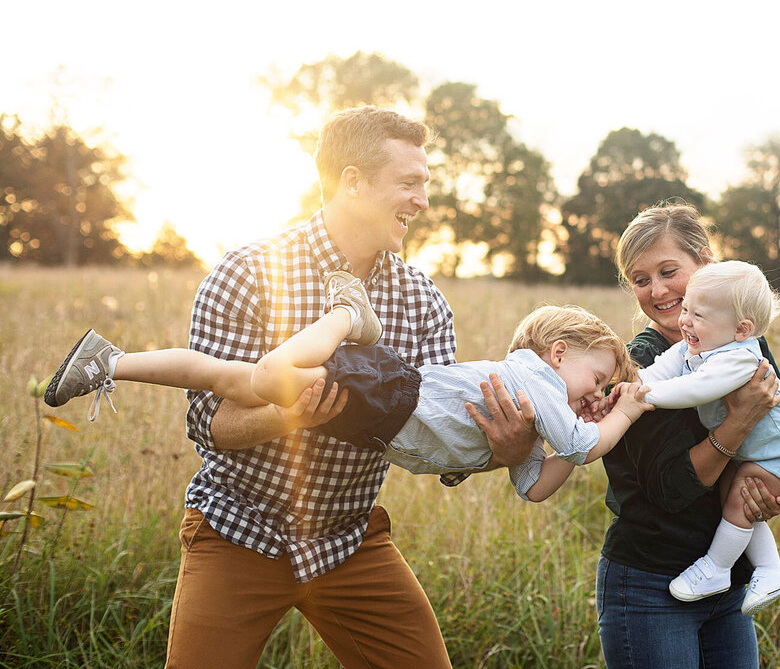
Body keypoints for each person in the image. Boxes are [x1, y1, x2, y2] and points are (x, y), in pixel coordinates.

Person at [73, 106, 538, 669]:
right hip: (240, 529)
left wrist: (503, 452)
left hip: (349, 539)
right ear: (353, 182)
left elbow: (438, 433)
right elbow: (210, 426)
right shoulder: (246, 273)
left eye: (425, 185)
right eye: (409, 183)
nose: (422, 201)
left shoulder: (423, 301)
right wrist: (289, 419)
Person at [45, 295, 650, 503]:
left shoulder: (537, 408)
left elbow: (532, 487)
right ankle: (344, 316)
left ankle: (112, 361)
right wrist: (618, 412)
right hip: (388, 396)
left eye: (602, 391)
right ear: (560, 352)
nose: (594, 394)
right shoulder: (539, 384)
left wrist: (556, 444)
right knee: (259, 379)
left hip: (379, 416)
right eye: (597, 380)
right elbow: (582, 444)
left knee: (233, 378)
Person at [594, 201, 780, 669]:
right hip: (650, 585)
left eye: (669, 271)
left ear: (706, 262)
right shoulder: (636, 366)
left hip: (728, 584)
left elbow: (778, 428)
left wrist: (767, 492)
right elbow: (672, 489)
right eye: (641, 280)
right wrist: (738, 422)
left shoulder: (742, 339)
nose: (658, 290)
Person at [635, 260, 780, 613]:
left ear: (741, 329)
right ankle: (768, 569)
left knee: (740, 498)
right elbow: (660, 369)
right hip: (766, 453)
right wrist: (634, 385)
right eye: (686, 310)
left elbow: (694, 389)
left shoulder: (738, 358)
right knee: (735, 496)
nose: (685, 321)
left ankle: (717, 568)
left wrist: (644, 397)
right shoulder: (698, 346)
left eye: (698, 315)